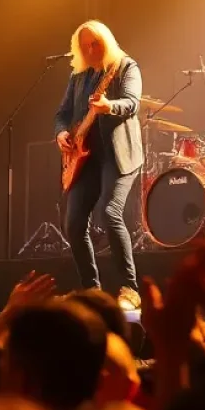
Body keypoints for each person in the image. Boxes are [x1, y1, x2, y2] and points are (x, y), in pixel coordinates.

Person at [55, 20, 143, 311]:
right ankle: (91, 290)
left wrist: (109, 106)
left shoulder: (126, 67)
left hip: (118, 156)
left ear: (106, 41)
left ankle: (130, 288)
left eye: (96, 43)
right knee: (74, 223)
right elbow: (63, 114)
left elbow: (132, 102)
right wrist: (62, 133)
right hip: (85, 158)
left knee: (109, 212)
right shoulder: (78, 77)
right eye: (85, 45)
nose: (91, 49)